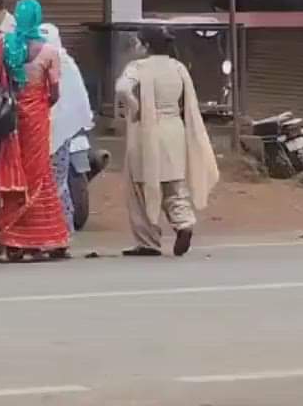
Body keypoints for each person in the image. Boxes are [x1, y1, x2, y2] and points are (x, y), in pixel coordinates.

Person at [115, 25, 220, 257]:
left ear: (146, 45)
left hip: (146, 132)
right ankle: (184, 223)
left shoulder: (138, 67)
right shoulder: (177, 68)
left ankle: (148, 241)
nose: (135, 46)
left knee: (141, 186)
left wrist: (135, 107)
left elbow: (122, 88)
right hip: (174, 129)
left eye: (137, 42)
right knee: (174, 184)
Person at [0, 0, 70, 262]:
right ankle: (42, 238)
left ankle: (12, 239)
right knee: (39, 174)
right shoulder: (48, 52)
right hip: (36, 117)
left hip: (10, 118)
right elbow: (55, 90)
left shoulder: (4, 46)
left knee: (14, 172)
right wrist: (41, 102)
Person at [42, 23, 94, 235]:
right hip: (48, 128)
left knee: (56, 183)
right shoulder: (46, 62)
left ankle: (60, 230)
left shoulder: (60, 63)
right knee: (55, 184)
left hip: (63, 131)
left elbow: (75, 97)